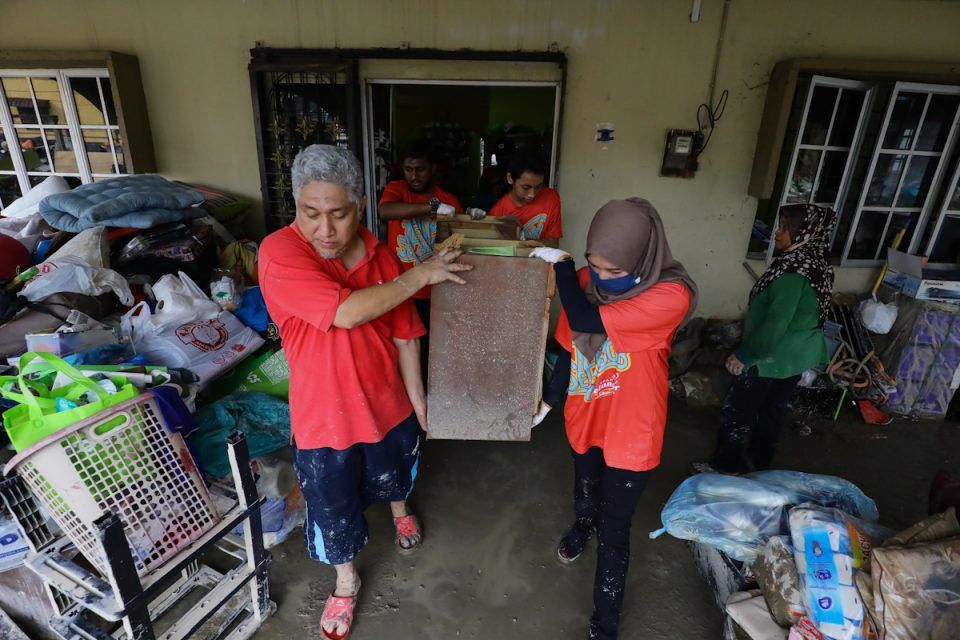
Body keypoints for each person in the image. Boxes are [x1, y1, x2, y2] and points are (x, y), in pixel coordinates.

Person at [259, 145, 471, 640]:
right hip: (324, 418)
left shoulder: (381, 255)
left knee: (395, 471)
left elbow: (403, 334)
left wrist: (417, 400)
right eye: (311, 214)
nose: (325, 230)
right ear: (296, 205)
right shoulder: (280, 253)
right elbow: (347, 312)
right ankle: (346, 582)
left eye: (339, 214)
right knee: (333, 506)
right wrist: (420, 273)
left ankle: (400, 512)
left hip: (387, 403)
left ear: (360, 206)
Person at [530, 198, 698, 640]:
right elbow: (568, 343)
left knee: (615, 528)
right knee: (584, 484)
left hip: (632, 429)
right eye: (593, 266)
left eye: (612, 270)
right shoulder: (586, 281)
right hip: (587, 412)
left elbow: (585, 315)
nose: (600, 278)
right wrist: (549, 402)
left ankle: (604, 625)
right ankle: (580, 524)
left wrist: (565, 266)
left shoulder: (669, 295)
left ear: (642, 259)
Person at [706, 204, 835, 474]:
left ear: (805, 232)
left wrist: (744, 355)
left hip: (772, 354)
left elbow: (776, 324)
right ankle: (759, 465)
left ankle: (725, 469)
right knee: (772, 411)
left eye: (787, 227)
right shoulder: (815, 262)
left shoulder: (792, 273)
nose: (778, 232)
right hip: (797, 356)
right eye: (781, 225)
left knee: (738, 412)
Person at [486, 151, 563, 247]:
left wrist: (520, 240)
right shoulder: (498, 212)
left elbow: (553, 244)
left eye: (538, 187)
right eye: (526, 188)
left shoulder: (551, 198)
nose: (532, 194)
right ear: (510, 178)